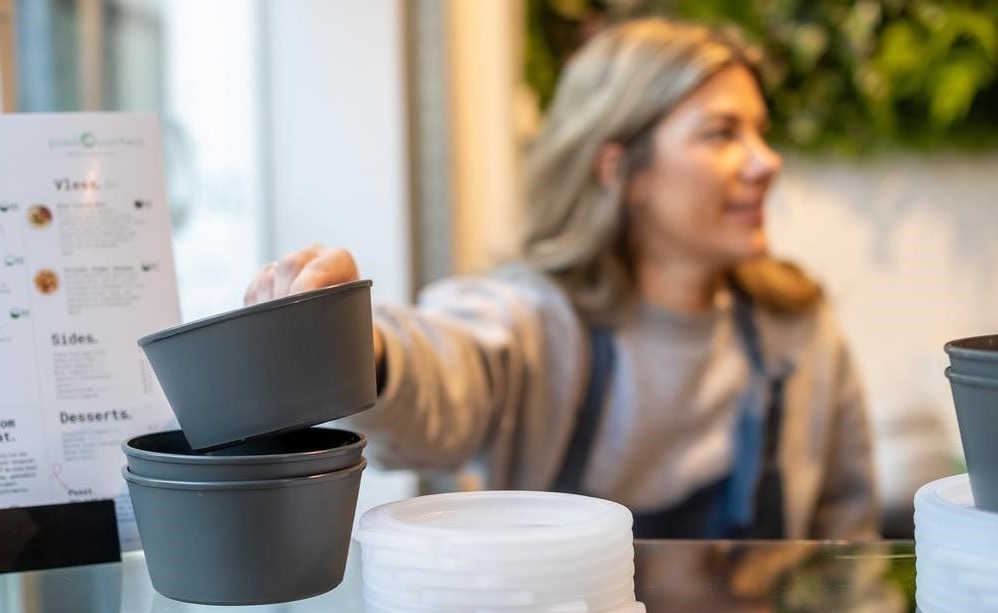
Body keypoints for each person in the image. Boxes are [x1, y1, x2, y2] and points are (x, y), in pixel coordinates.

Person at [244, 18, 878, 540]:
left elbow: (850, 560)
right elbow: (447, 363)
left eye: (760, 132)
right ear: (622, 172)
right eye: (722, 134)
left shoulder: (799, 327)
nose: (767, 161)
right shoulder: (533, 320)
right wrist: (359, 343)